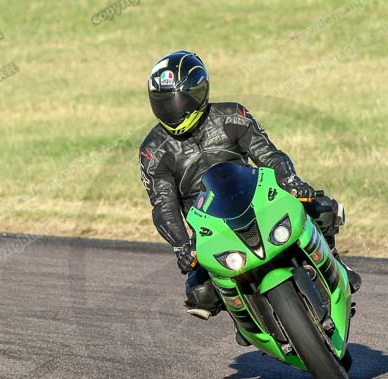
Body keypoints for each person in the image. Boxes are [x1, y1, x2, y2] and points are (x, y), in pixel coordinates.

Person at [139, 50, 361, 326]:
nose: (172, 108)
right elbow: (163, 205)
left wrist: (291, 182)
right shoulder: (153, 150)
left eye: (178, 99)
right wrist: (181, 245)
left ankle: (334, 264)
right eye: (163, 101)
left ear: (199, 91)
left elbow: (268, 154)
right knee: (201, 294)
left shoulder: (231, 115)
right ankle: (245, 319)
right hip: (211, 226)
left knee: (322, 208)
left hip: (257, 200)